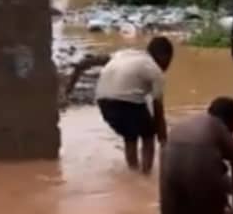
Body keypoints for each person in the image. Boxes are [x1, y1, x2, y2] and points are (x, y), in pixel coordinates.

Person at [66, 37, 174, 174]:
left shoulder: (123, 54)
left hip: (103, 102)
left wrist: (70, 86)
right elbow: (159, 111)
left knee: (130, 135)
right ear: (163, 56)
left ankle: (133, 173)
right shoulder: (155, 71)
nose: (168, 66)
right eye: (169, 60)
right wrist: (164, 141)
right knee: (148, 135)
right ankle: (146, 175)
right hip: (126, 102)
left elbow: (86, 63)